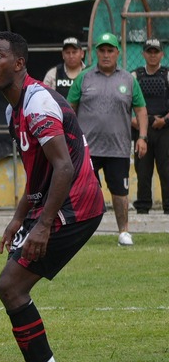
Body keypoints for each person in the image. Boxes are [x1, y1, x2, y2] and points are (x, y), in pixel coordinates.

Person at [0, 30, 104, 362]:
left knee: (11, 286)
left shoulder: (37, 104)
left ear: (19, 64)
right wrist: (19, 218)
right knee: (11, 286)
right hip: (54, 205)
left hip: (75, 206)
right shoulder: (12, 109)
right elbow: (39, 172)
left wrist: (44, 224)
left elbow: (64, 168)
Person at [67, 33, 146, 246]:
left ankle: (124, 232)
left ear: (117, 53)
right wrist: (69, 137)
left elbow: (141, 110)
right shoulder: (84, 77)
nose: (105, 54)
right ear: (96, 53)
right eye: (102, 50)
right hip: (87, 149)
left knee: (120, 193)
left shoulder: (129, 80)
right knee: (84, 191)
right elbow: (69, 108)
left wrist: (143, 137)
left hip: (118, 148)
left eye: (110, 50)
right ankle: (80, 232)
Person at [134, 39, 169, 217]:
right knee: (143, 170)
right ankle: (142, 208)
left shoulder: (167, 74)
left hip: (164, 129)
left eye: (156, 52)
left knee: (166, 170)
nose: (153, 55)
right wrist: (134, 121)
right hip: (142, 130)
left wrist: (164, 120)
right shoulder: (135, 75)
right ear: (143, 54)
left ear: (162, 54)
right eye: (149, 51)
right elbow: (125, 102)